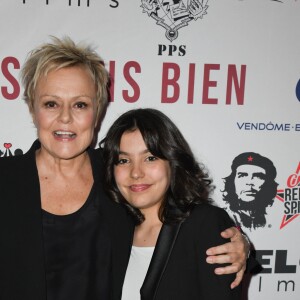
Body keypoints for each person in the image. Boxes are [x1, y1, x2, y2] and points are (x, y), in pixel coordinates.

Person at [0, 36, 247, 300]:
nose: (65, 117)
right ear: (31, 108)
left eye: (80, 104)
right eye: (51, 103)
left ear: (98, 111)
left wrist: (238, 244)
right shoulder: (6, 180)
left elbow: (183, 221)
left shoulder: (118, 173)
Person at [101, 108, 242, 299]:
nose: (136, 172)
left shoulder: (204, 223)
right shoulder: (113, 226)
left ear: (172, 162)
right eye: (124, 160)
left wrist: (246, 248)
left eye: (150, 158)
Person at [222, 152, 278, 230]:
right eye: (242, 175)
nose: (249, 182)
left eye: (258, 176)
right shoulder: (222, 217)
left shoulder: (275, 216)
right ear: (232, 181)